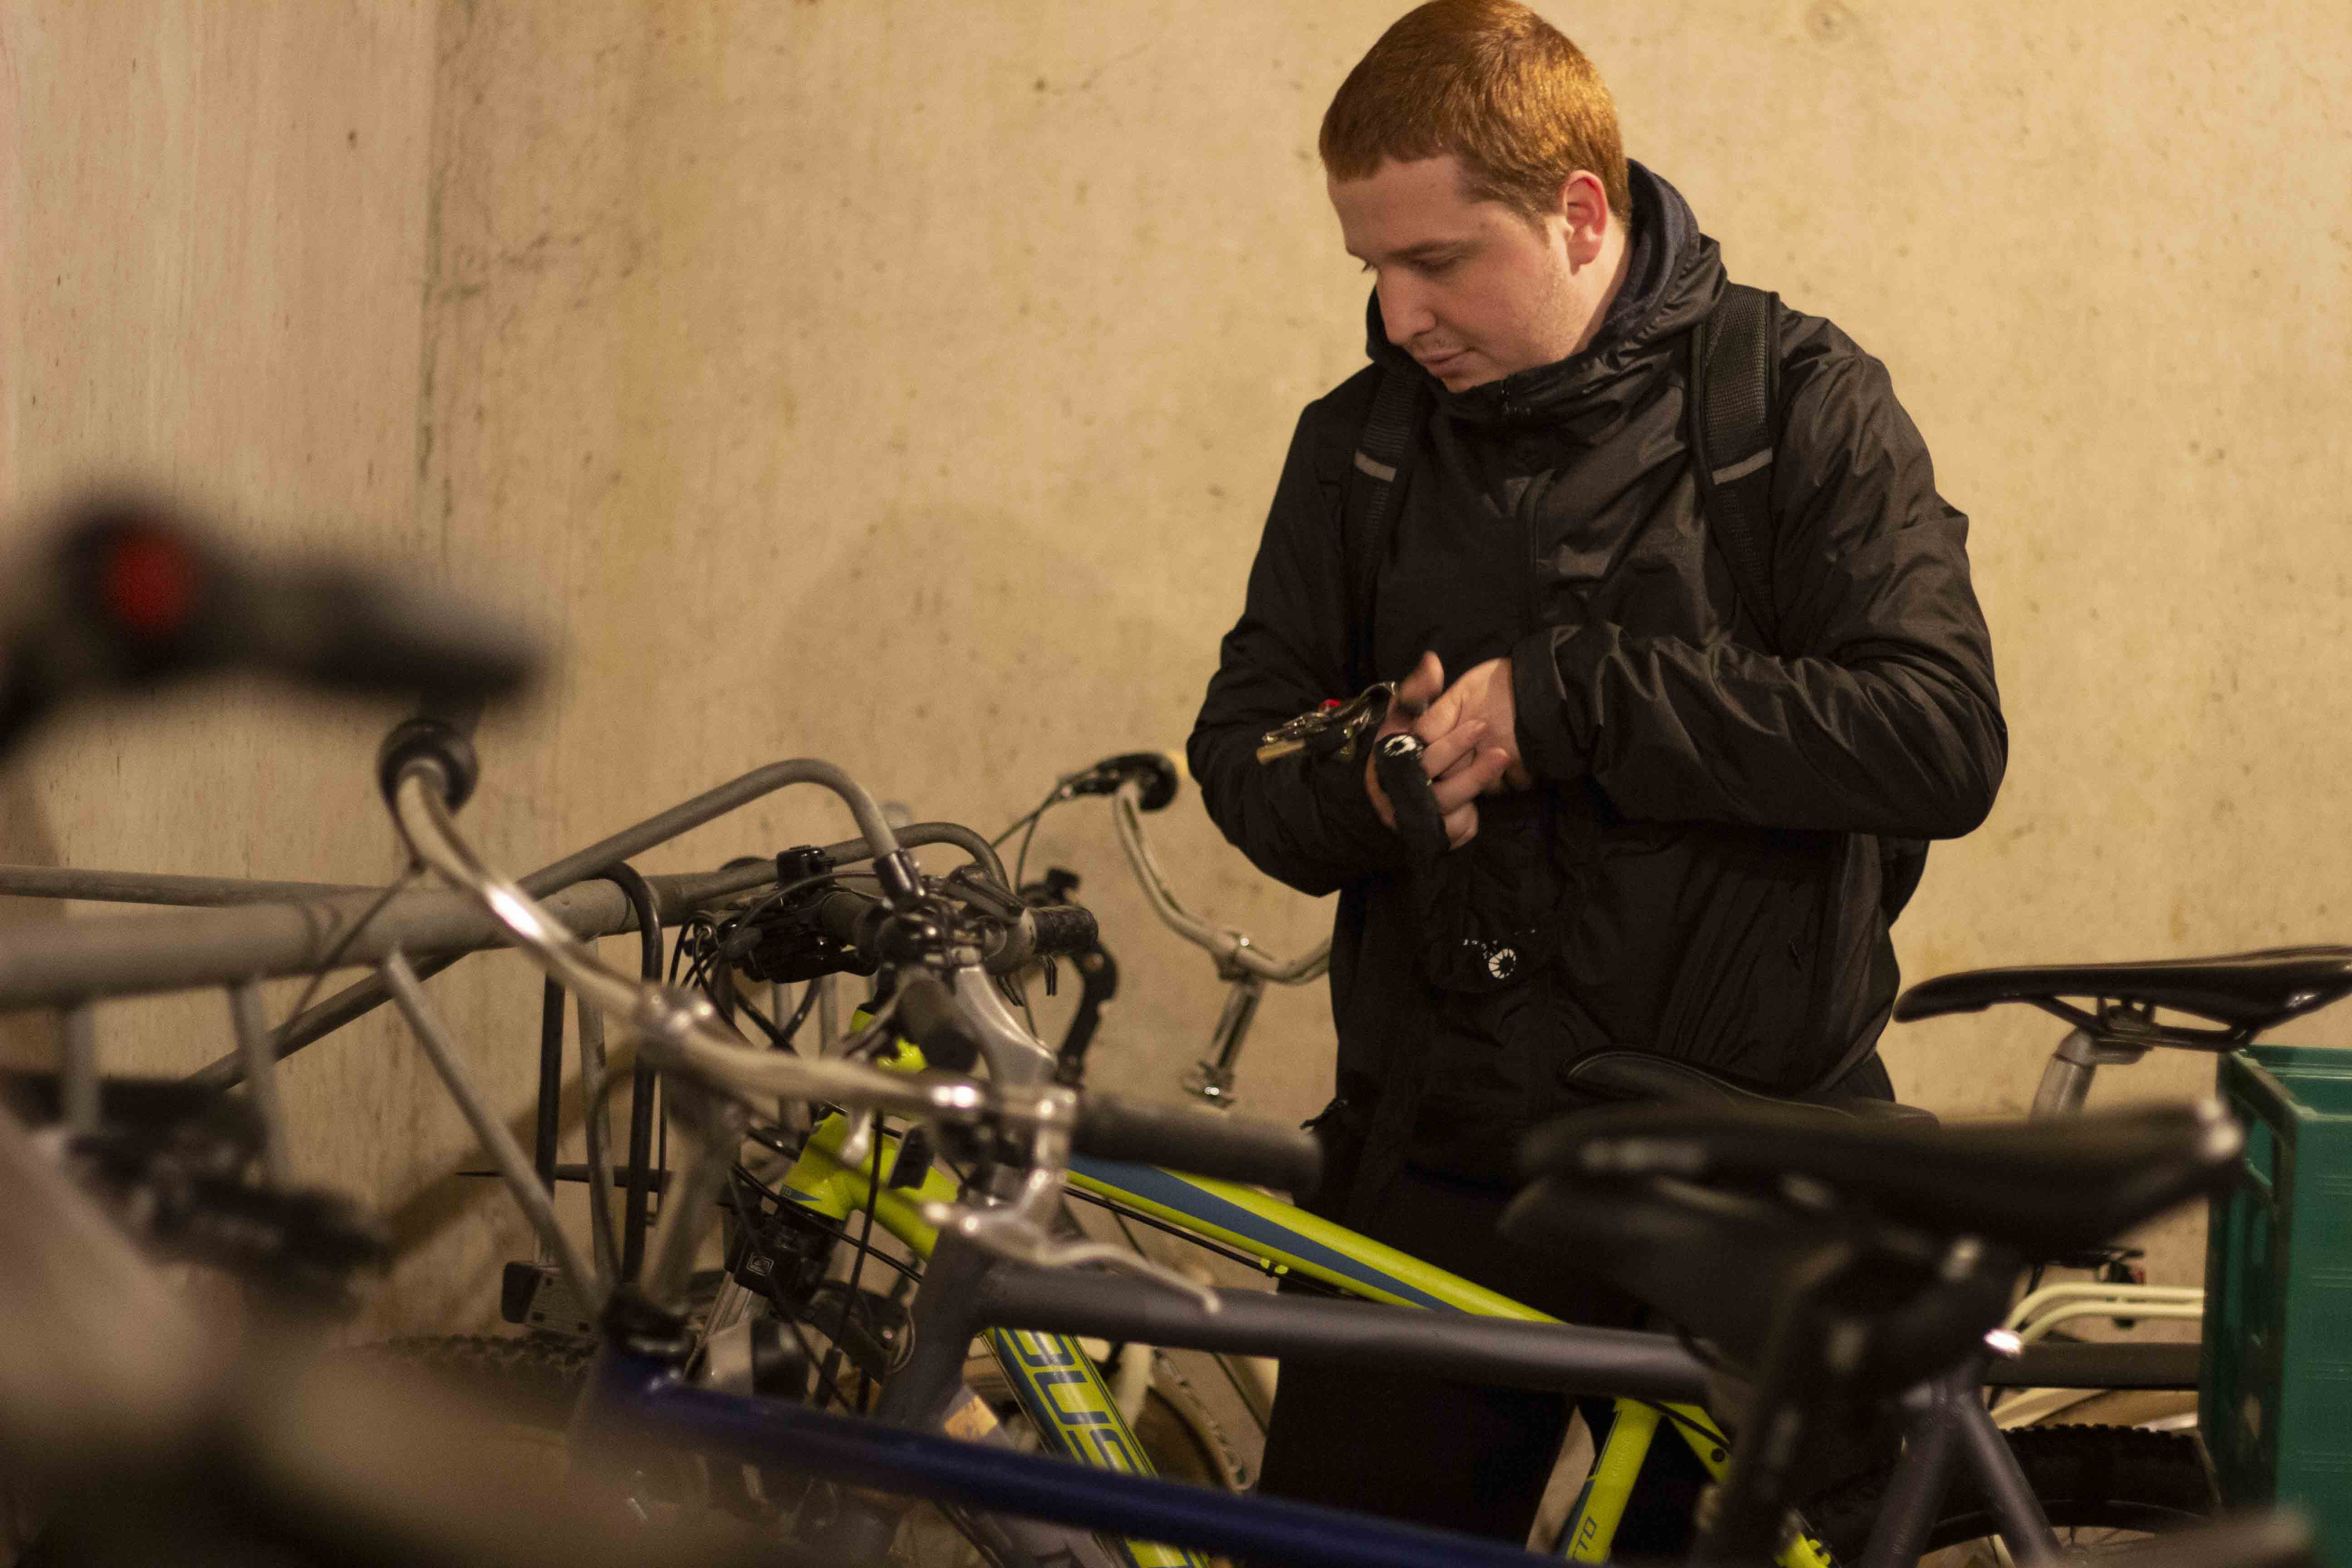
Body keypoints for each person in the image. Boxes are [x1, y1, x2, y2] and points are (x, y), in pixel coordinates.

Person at [1186, 0, 2007, 1551]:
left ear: (1578, 212)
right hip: (1437, 1166)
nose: (1402, 311)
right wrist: (1372, 785)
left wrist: (1571, 703)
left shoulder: (1797, 404)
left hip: (1747, 1183)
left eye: (1438, 261)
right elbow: (1241, 752)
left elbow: (1940, 733)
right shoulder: (1356, 449)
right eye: (1371, 265)